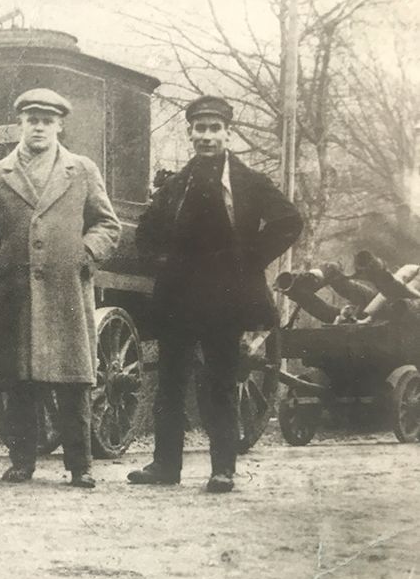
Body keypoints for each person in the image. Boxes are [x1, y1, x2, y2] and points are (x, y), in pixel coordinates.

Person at [128, 95, 302, 493]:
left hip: (225, 297)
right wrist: (159, 263)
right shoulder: (175, 184)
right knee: (170, 381)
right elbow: (146, 232)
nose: (206, 137)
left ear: (228, 133)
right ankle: (165, 466)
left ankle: (223, 468)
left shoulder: (249, 182)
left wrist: (250, 257)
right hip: (178, 299)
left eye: (214, 129)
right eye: (199, 129)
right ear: (190, 133)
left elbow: (289, 220)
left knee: (221, 380)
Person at [0, 88, 121, 488]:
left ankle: (81, 465)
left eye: (47, 121)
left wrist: (85, 253)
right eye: (32, 119)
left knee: (73, 380)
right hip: (13, 295)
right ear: (20, 124)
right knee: (19, 382)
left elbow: (107, 225)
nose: (39, 127)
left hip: (66, 292)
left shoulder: (82, 170)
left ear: (59, 126)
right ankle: (21, 461)